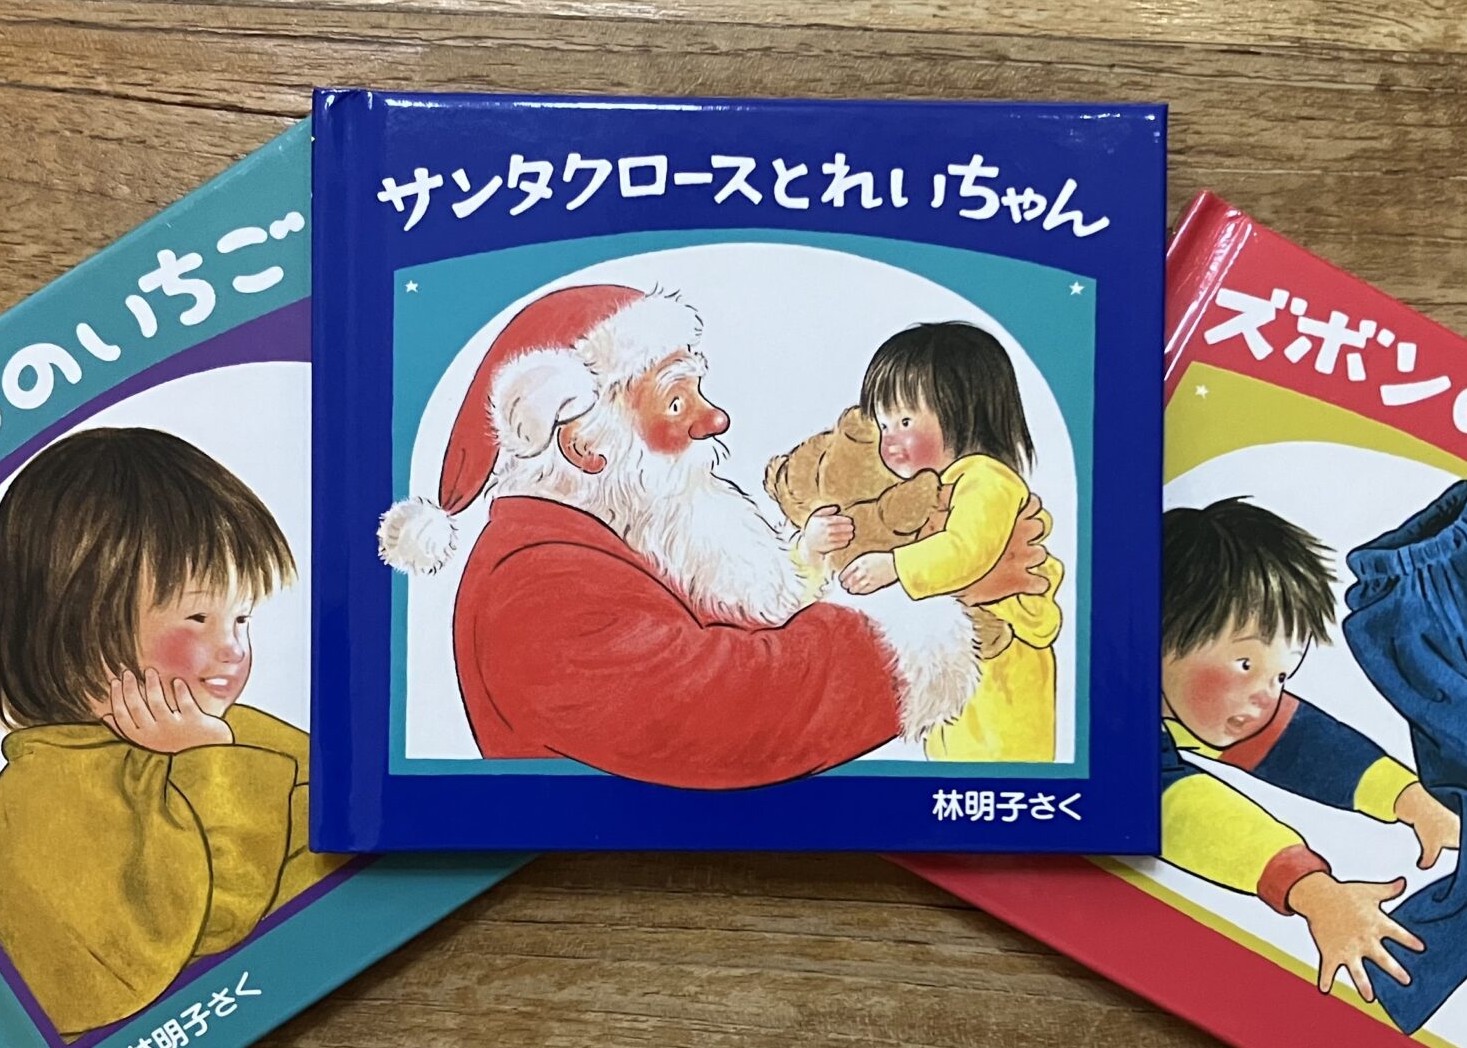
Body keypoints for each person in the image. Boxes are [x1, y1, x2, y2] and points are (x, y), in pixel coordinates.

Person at [375, 284, 1054, 788]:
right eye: (677, 400)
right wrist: (928, 616)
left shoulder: (622, 539)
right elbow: (733, 707)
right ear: (585, 445)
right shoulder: (535, 582)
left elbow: (736, 626)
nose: (715, 418)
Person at [0, 427, 339, 1036]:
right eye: (198, 616)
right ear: (81, 623)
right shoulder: (42, 800)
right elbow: (216, 941)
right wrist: (209, 763)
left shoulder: (250, 735)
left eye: (242, 618)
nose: (233, 648)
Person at [1158, 496, 1462, 1003]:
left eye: (1280, 675)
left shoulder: (1184, 690)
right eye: (1244, 665)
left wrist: (1407, 798)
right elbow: (1175, 808)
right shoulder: (1100, 707)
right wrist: (1315, 893)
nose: (1265, 697)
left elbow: (1300, 744)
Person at [827, 321, 1061, 761]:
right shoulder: (935, 486)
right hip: (968, 655)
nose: (889, 441)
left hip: (1002, 658)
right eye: (883, 425)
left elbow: (967, 550)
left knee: (993, 757)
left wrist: (894, 565)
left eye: (905, 421)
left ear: (963, 412)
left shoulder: (986, 479)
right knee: (950, 748)